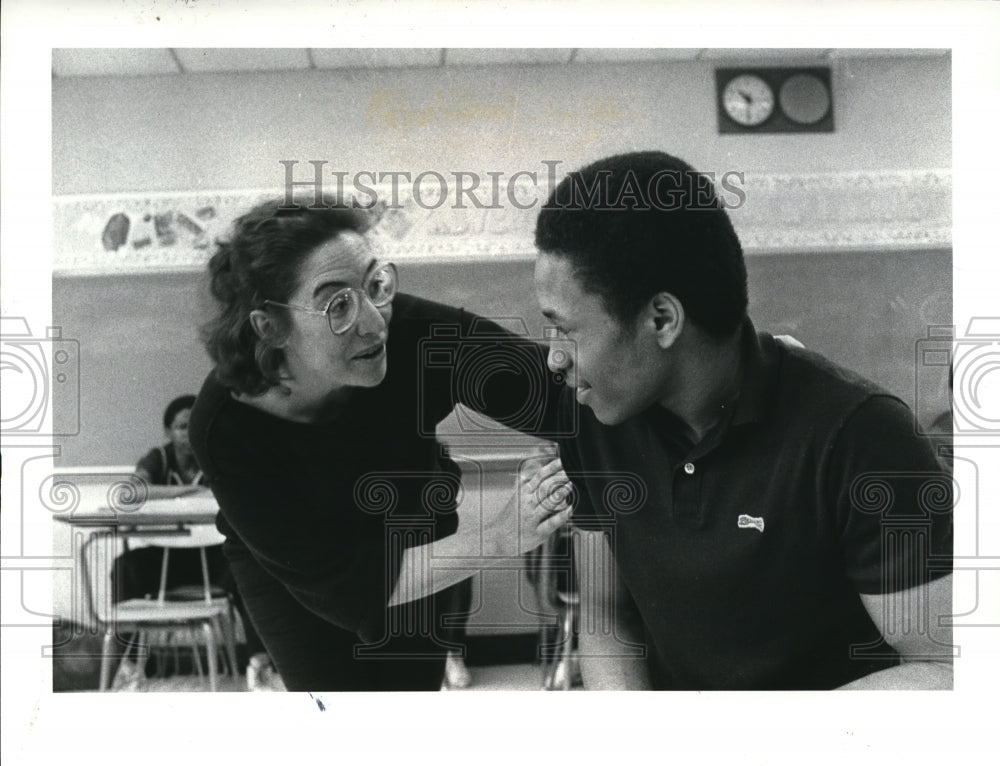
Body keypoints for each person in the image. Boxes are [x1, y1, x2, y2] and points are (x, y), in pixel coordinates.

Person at [533, 151, 954, 690]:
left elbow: (941, 669)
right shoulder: (592, 419)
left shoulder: (861, 437)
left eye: (565, 329)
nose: (554, 357)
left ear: (662, 319)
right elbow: (603, 614)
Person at [189, 196, 573, 691]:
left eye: (376, 285)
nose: (375, 322)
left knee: (407, 701)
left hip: (411, 522)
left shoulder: (411, 333)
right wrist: (502, 534)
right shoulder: (224, 427)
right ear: (271, 326)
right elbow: (348, 590)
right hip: (299, 568)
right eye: (338, 304)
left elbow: (559, 397)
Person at [111, 395, 224, 602]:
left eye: (196, 425)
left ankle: (257, 635)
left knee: (248, 566)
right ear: (168, 432)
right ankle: (129, 633)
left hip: (212, 554)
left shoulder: (218, 456)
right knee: (125, 568)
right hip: (166, 556)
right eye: (182, 427)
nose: (190, 434)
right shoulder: (159, 458)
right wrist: (188, 491)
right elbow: (128, 494)